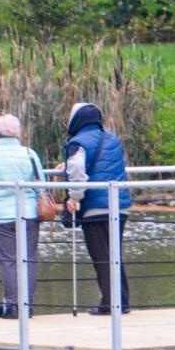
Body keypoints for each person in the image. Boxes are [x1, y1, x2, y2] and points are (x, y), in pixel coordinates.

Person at [63, 101, 134, 314]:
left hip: (96, 208)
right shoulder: (111, 138)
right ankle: (121, 301)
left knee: (101, 257)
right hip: (119, 206)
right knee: (114, 255)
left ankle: (111, 304)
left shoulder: (78, 143)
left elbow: (77, 172)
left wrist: (74, 198)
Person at [0, 113, 44, 317]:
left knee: (8, 261)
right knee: (28, 258)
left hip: (0, 216)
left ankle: (13, 306)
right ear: (18, 133)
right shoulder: (30, 154)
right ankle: (27, 305)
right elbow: (42, 184)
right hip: (28, 214)